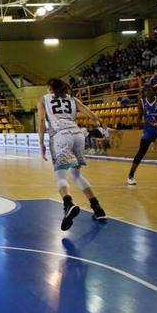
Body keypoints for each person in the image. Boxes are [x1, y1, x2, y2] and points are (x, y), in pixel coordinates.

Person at [38, 78, 107, 231]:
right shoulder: (73, 99)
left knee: (61, 176)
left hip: (60, 136)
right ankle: (98, 209)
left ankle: (68, 204)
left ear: (50, 88)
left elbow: (42, 120)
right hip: (77, 135)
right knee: (77, 175)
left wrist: (41, 142)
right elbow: (92, 115)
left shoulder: (44, 99)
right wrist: (98, 126)